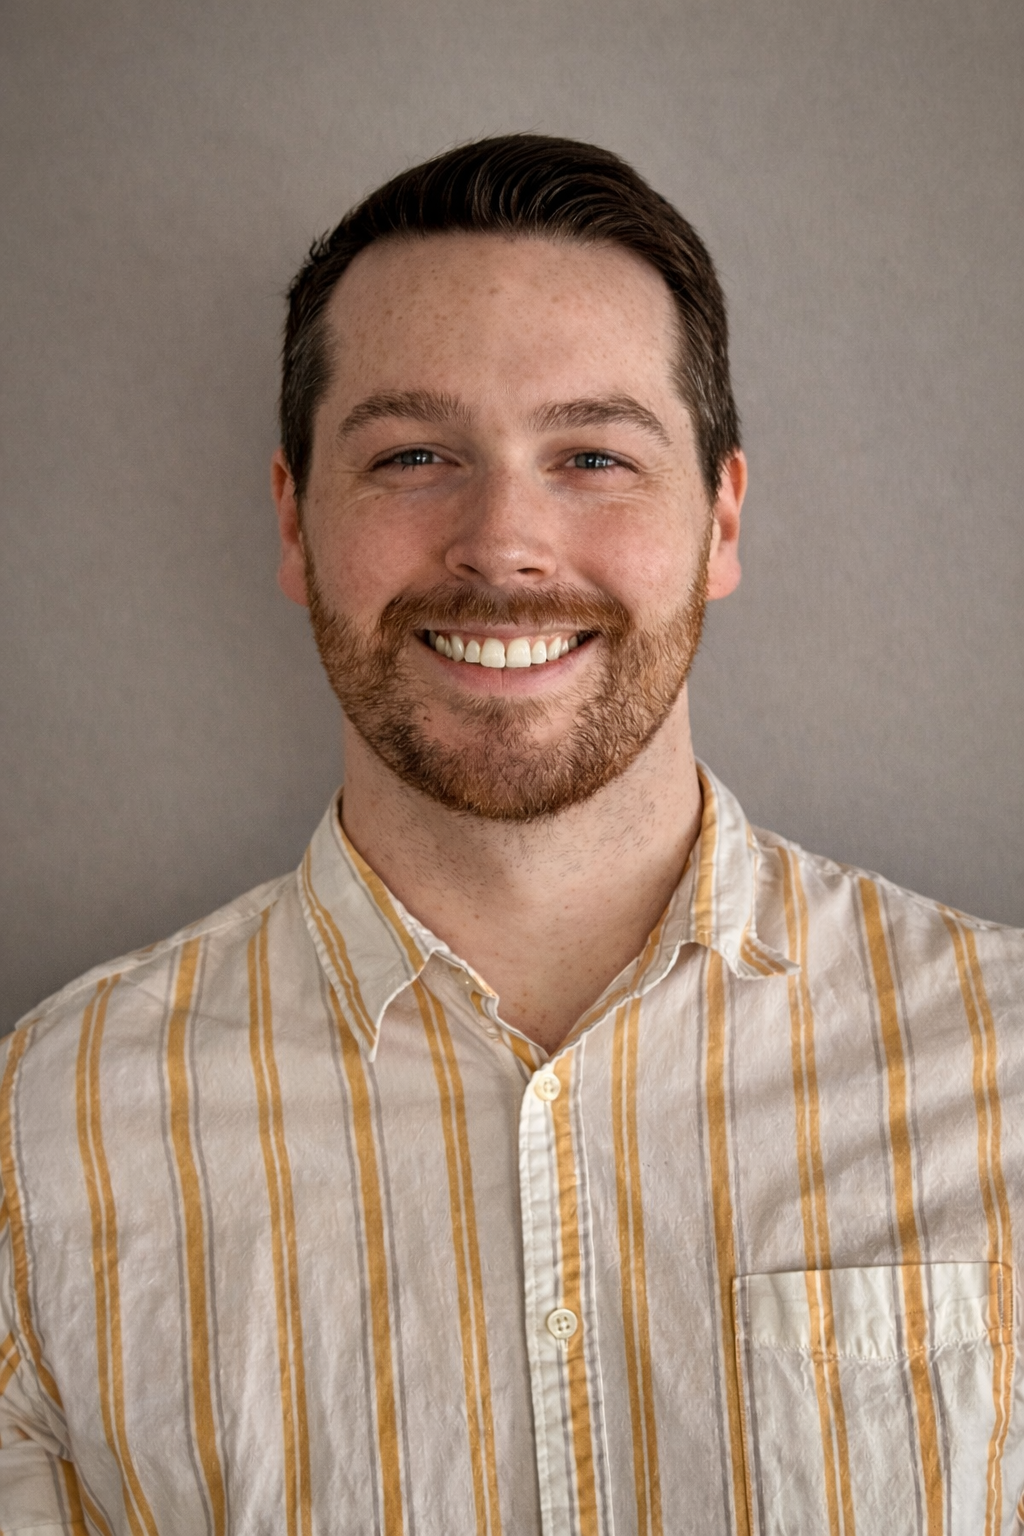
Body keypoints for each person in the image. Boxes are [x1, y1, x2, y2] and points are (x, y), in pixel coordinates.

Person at [0, 134, 1020, 1536]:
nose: (503, 544)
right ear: (295, 521)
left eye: (593, 455)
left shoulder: (1008, 1065)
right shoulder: (41, 1142)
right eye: (414, 455)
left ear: (721, 517)